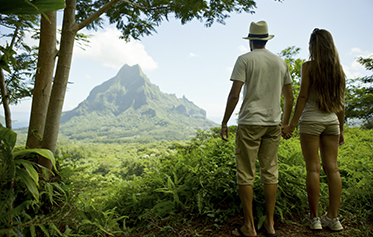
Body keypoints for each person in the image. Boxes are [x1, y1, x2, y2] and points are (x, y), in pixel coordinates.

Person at [220, 20, 294, 237]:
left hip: (250, 122)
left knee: (246, 173)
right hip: (273, 123)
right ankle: (270, 225)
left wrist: (225, 122)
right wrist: (286, 123)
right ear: (266, 39)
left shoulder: (244, 60)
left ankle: (249, 227)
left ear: (251, 40)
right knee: (270, 172)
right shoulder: (280, 62)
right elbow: (289, 97)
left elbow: (234, 95)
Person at [281, 28, 345, 231]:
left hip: (311, 121)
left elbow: (302, 97)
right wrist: (341, 129)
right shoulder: (338, 70)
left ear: (312, 46)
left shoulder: (308, 67)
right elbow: (341, 103)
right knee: (332, 169)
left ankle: (315, 218)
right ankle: (333, 218)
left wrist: (291, 125)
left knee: (313, 168)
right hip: (331, 121)